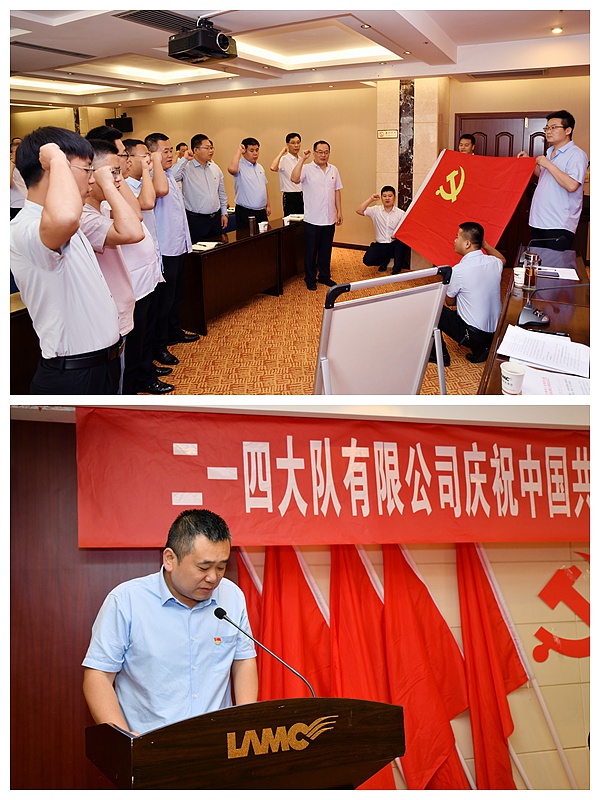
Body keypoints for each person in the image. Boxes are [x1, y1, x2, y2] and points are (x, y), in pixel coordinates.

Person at [82, 508, 258, 735]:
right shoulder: (126, 601)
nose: (213, 578)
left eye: (221, 567)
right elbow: (98, 677)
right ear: (170, 559)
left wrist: (246, 723)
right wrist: (125, 738)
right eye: (203, 567)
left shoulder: (231, 596)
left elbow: (243, 661)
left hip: (218, 742)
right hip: (150, 743)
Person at [10, 126, 122, 394]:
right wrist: (57, 158)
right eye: (86, 170)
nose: (92, 180)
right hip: (74, 376)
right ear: (52, 169)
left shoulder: (68, 221)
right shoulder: (25, 227)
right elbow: (65, 217)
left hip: (103, 365)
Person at [79, 139, 142, 360]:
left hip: (119, 308)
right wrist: (107, 185)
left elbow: (136, 215)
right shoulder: (84, 217)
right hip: (107, 315)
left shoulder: (103, 206)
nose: (118, 179)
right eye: (112, 173)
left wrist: (110, 183)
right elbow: (134, 232)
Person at [145, 132, 198, 367]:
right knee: (163, 302)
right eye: (165, 151)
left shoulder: (168, 174)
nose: (170, 154)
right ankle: (159, 345)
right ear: (152, 155)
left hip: (178, 245)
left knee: (176, 295)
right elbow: (161, 192)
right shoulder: (152, 177)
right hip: (165, 248)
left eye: (170, 150)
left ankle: (174, 330)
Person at [430, 221, 505, 366]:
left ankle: (440, 355)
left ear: (467, 244)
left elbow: (449, 302)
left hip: (472, 336)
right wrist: (485, 245)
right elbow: (503, 259)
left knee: (433, 307)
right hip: (495, 333)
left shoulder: (458, 270)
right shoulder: (494, 262)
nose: (454, 240)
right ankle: (484, 347)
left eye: (457, 237)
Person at [517, 110, 588, 251]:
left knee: (555, 262)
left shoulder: (576, 155)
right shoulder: (550, 152)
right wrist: (529, 162)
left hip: (558, 223)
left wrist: (548, 164)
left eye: (553, 127)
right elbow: (545, 176)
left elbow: (572, 185)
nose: (548, 131)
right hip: (539, 220)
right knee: (538, 261)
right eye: (547, 128)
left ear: (568, 130)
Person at [291, 140, 343, 290]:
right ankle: (310, 278)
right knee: (311, 252)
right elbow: (294, 179)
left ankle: (324, 276)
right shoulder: (306, 169)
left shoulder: (333, 170)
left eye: (326, 152)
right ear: (314, 153)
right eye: (320, 152)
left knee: (326, 250)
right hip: (312, 220)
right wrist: (302, 159)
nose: (323, 155)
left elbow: (337, 191)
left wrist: (339, 211)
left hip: (329, 218)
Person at [171, 133, 229, 242]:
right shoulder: (186, 168)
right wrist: (184, 159)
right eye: (207, 148)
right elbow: (172, 177)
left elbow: (221, 193)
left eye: (211, 148)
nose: (210, 151)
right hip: (196, 220)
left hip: (215, 219)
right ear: (196, 150)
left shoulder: (215, 168)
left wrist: (224, 213)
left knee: (218, 248)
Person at [355, 186, 408, 273]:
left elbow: (405, 229)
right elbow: (359, 210)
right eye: (384, 196)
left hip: (393, 244)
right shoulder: (375, 210)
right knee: (367, 260)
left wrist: (397, 235)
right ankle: (384, 260)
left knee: (401, 243)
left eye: (390, 196)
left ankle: (396, 269)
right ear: (381, 198)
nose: (387, 198)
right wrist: (371, 199)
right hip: (380, 245)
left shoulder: (400, 213)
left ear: (394, 198)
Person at [227, 137, 270, 230]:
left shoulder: (260, 167)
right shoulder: (239, 165)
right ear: (244, 151)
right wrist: (239, 151)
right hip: (246, 212)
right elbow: (232, 170)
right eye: (251, 150)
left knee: (265, 236)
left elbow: (264, 187)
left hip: (261, 212)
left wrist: (268, 205)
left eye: (257, 150)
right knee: (247, 237)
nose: (255, 153)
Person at [270, 132, 304, 216]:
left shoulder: (301, 160)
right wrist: (282, 152)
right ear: (287, 144)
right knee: (291, 221)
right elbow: (273, 167)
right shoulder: (284, 159)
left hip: (302, 195)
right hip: (290, 196)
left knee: (303, 220)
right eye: (293, 143)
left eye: (298, 142)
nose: (296, 145)